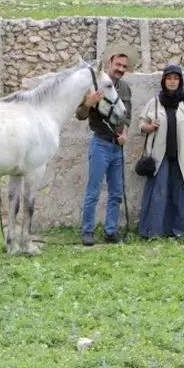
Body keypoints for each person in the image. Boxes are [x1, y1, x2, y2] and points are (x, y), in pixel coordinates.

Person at [76, 43, 134, 246]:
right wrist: (88, 103)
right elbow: (80, 115)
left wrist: (125, 133)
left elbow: (127, 116)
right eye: (118, 64)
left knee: (116, 192)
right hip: (100, 143)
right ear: (110, 62)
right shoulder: (95, 84)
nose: (120, 69)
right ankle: (88, 232)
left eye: (124, 66)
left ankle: (111, 231)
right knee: (94, 190)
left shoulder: (125, 88)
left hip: (117, 147)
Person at [136, 65, 184, 239]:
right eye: (169, 78)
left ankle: (180, 231)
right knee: (158, 194)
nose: (172, 82)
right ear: (164, 81)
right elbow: (141, 124)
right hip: (159, 156)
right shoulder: (155, 102)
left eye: (175, 78)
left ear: (180, 81)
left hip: (181, 156)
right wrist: (149, 126)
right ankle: (155, 231)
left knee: (180, 194)